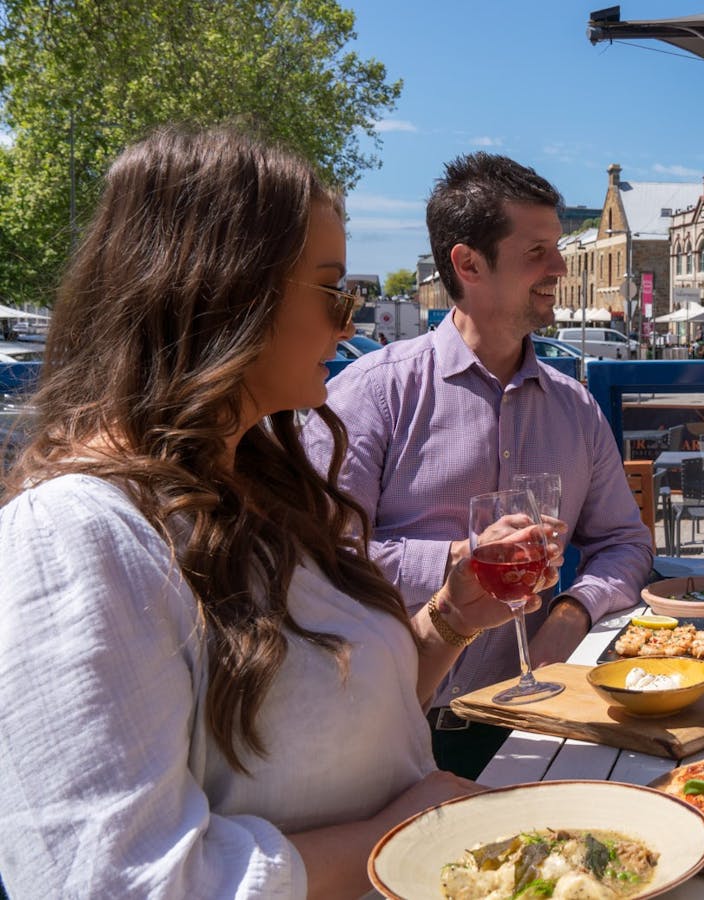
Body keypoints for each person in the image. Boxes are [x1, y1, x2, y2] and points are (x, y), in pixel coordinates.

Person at [0, 126, 539, 897]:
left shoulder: (261, 490)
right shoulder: (75, 539)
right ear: (221, 293)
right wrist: (405, 836)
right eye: (332, 289)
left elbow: (330, 729)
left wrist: (447, 620)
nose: (349, 322)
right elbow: (111, 881)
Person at [304, 153, 653, 779]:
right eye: (537, 251)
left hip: (538, 722)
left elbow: (625, 543)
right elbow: (318, 560)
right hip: (392, 729)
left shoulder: (573, 406)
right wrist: (458, 562)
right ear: (467, 264)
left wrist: (570, 617)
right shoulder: (374, 393)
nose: (561, 266)